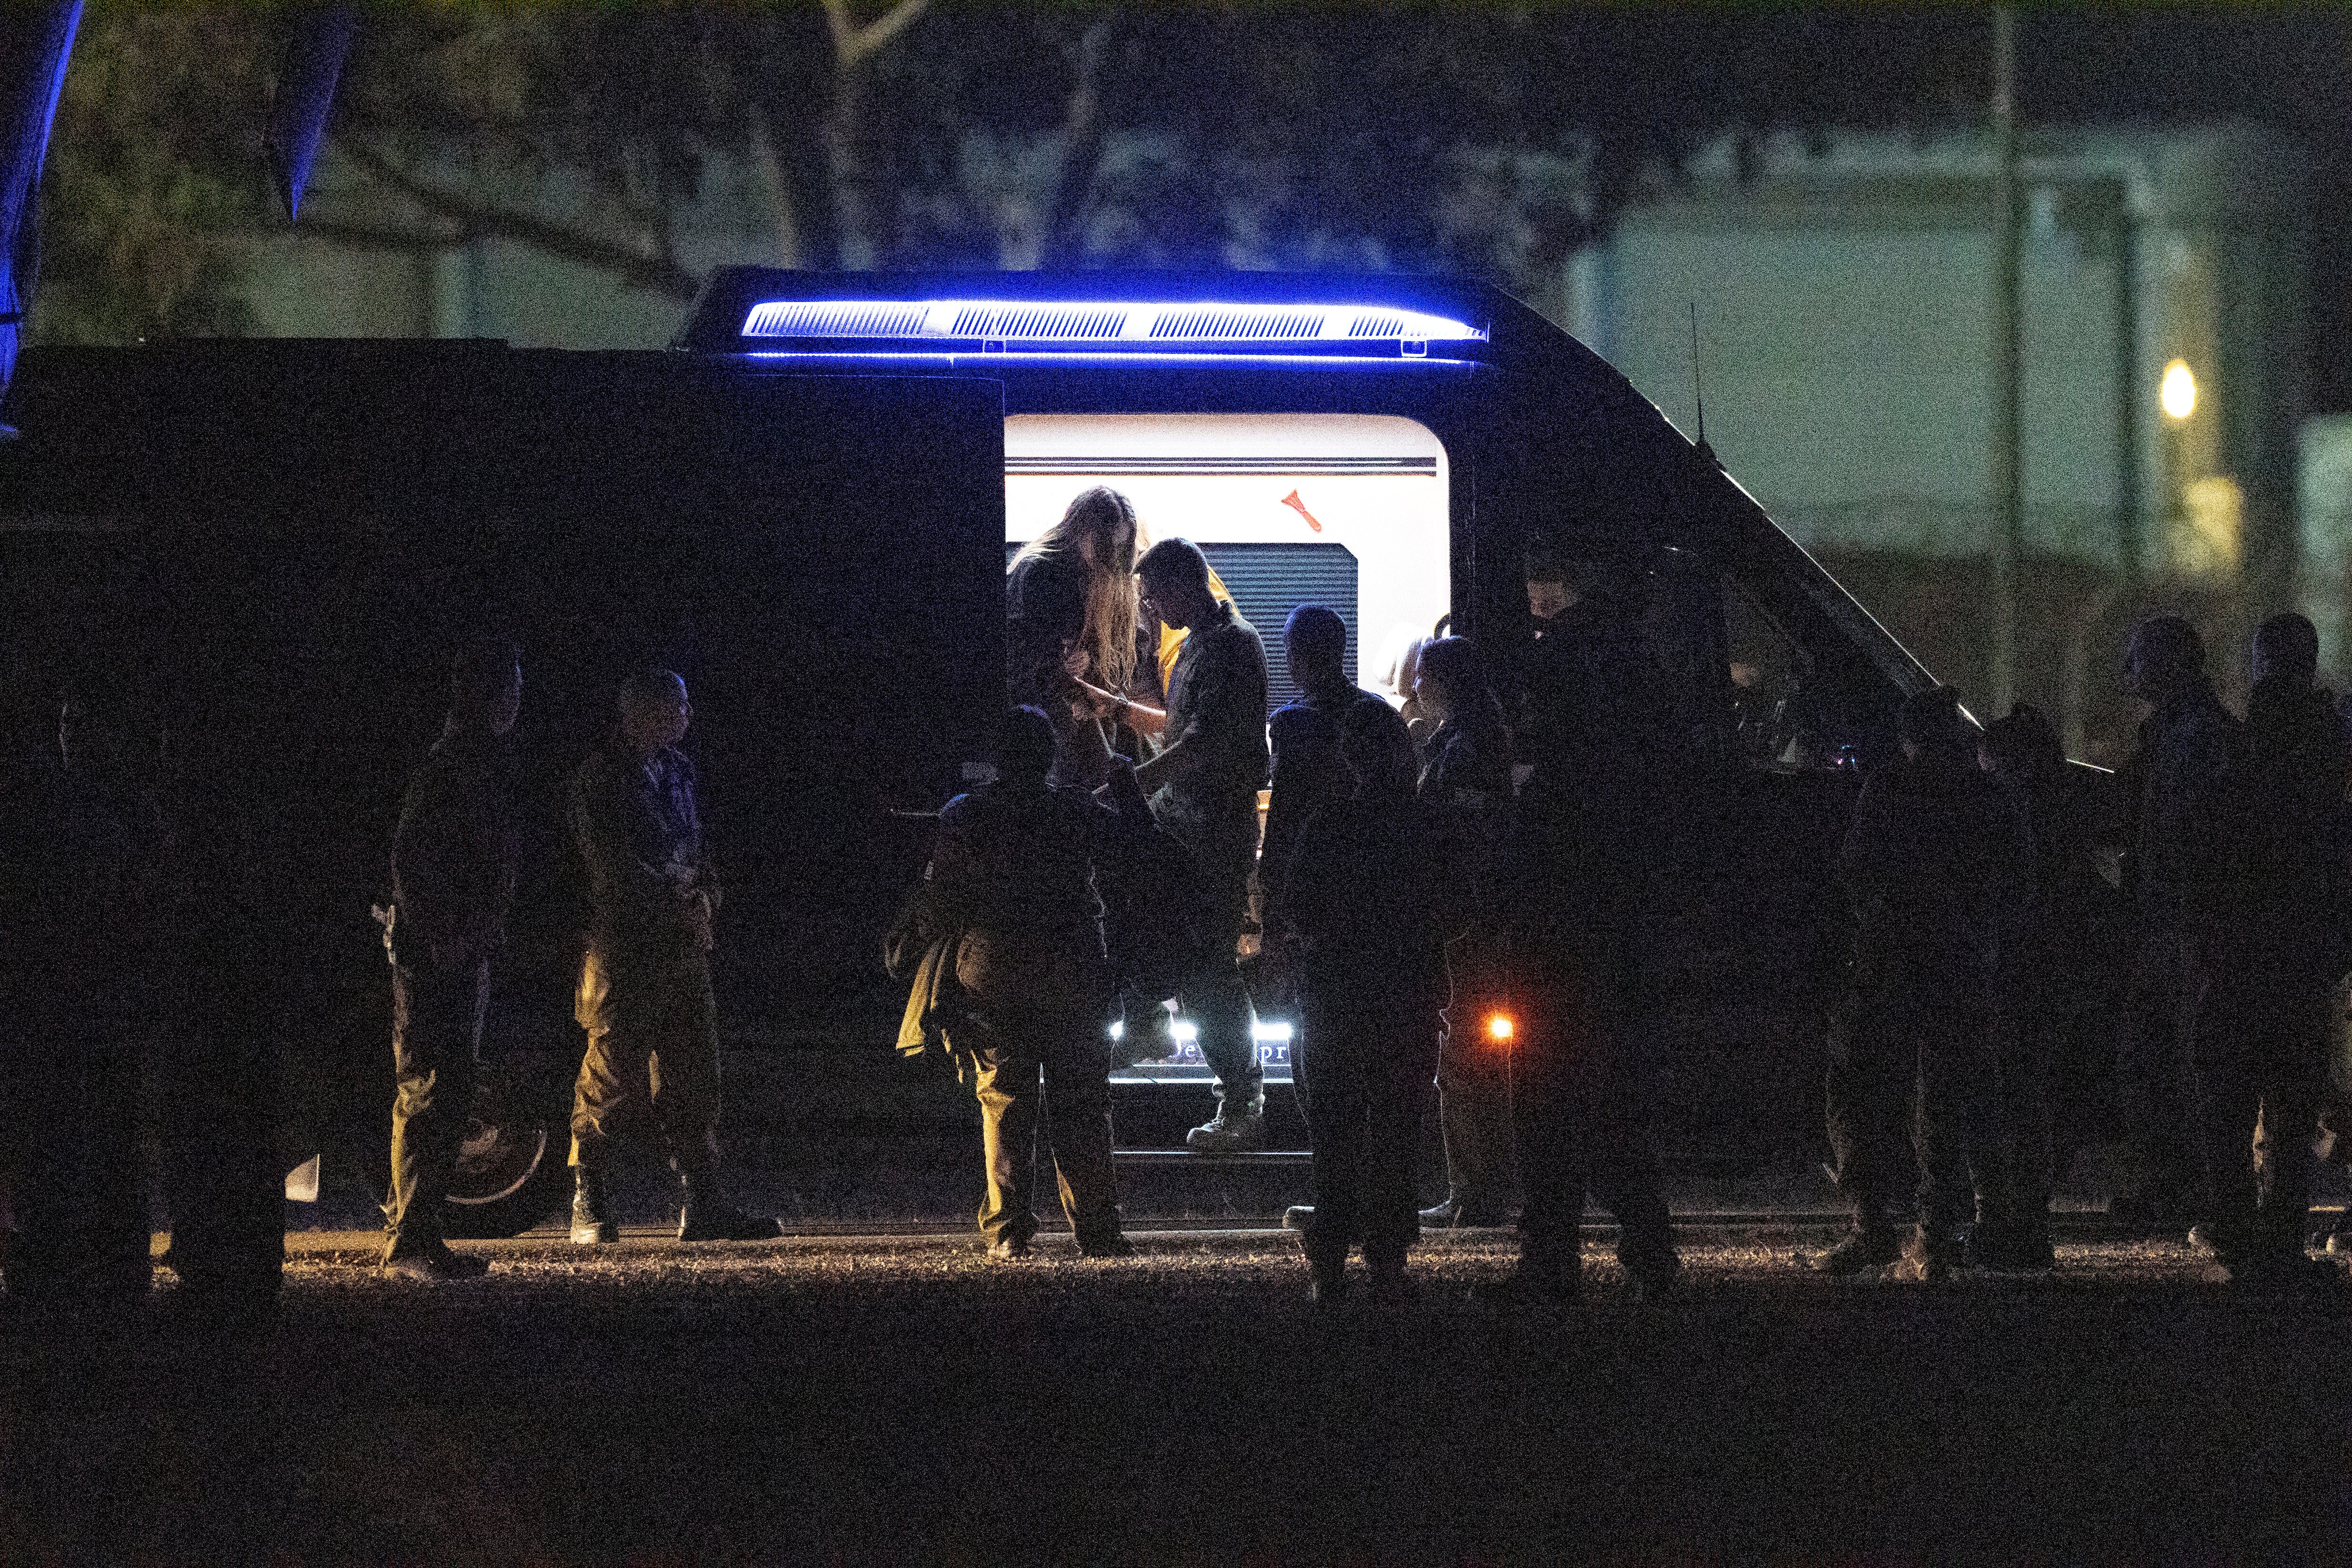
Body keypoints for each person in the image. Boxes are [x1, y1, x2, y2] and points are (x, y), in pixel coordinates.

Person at [1812, 687, 2031, 1282]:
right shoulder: (1985, 796)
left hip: (1890, 964)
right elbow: (2015, 878)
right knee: (1944, 1097)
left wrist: (1882, 922)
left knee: (1857, 1087)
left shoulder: (1888, 789)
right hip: (1960, 963)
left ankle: (1871, 1225)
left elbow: (1854, 872)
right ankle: (1935, 1236)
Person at [567, 669, 775, 1245]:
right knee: (611, 1075)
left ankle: (703, 1203)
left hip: (680, 947)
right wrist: (675, 903)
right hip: (625, 948)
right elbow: (611, 868)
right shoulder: (600, 778)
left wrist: (706, 898)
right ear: (644, 711)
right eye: (677, 704)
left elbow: (696, 846)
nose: (687, 714)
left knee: (694, 1074)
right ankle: (590, 1199)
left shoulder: (678, 771)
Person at [922, 707, 1136, 1260]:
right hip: (1072, 966)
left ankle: (1009, 1231)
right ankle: (1097, 1229)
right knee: (1083, 1101)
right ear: (1050, 755)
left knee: (1003, 1097)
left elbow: (939, 899)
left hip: (992, 967)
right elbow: (1138, 849)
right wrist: (1122, 781)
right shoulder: (1073, 809)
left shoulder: (966, 814)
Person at [2185, 615, 2350, 1288]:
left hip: (2235, 954)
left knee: (2227, 1102)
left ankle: (2232, 1231)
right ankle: (2280, 1244)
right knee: (2290, 1107)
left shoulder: (2236, 748)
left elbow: (2205, 851)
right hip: (2302, 957)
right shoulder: (2330, 753)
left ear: (2260, 663)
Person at [1282, 701, 1461, 1303]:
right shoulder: (1421, 824)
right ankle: (1387, 1257)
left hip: (1336, 994)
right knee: (1394, 1128)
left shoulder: (1329, 823)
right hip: (1405, 994)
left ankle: (1328, 1261)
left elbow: (1298, 905)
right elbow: (1453, 906)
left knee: (1333, 1131)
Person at [379, 639, 522, 1282]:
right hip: (441, 955)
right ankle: (411, 1240)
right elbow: (413, 857)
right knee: (432, 1090)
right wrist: (444, 934)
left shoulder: (472, 763)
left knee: (445, 1088)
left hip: (457, 947)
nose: (514, 703)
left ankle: (417, 1232)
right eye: (508, 690)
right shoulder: (452, 768)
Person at [1129, 538, 1271, 1151]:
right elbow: (1180, 726)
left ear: (1186, 585)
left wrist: (1136, 784)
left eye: (1156, 595)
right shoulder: (1198, 645)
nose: (1153, 609)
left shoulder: (1231, 647)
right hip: (1183, 830)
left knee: (1210, 969)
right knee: (1180, 951)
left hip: (1211, 834)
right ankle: (1152, 1023)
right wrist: (1110, 707)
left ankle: (1242, 1100)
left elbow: (1202, 741)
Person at [1974, 703, 2119, 1272]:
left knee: (2012, 1100)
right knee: (2038, 1100)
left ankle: (2013, 1228)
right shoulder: (2064, 813)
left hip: (2018, 975)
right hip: (2054, 977)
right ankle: (2024, 1224)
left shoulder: (2016, 819)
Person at [2111, 614, 2241, 1230]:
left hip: (2187, 924)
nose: (2127, 671)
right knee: (2162, 1061)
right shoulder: (2190, 732)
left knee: (2178, 1062)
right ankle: (2181, 1187)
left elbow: (2188, 837)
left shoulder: (2193, 738)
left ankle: (2192, 1191)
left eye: (2136, 657)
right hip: (2177, 921)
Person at [1414, 636, 1520, 1229]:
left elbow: (1455, 830)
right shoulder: (1472, 736)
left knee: (1466, 1054)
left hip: (1466, 920)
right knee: (1467, 1051)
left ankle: (1475, 1192)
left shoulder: (1464, 744)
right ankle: (1473, 1188)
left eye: (1424, 679)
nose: (1416, 691)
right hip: (1471, 916)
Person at [1007, 487, 1143, 788]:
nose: (1111, 557)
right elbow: (1043, 670)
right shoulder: (1042, 572)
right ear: (1081, 529)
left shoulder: (1077, 570)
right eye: (1104, 544)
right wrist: (1106, 704)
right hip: (1032, 720)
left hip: (1054, 710)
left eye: (1118, 549)